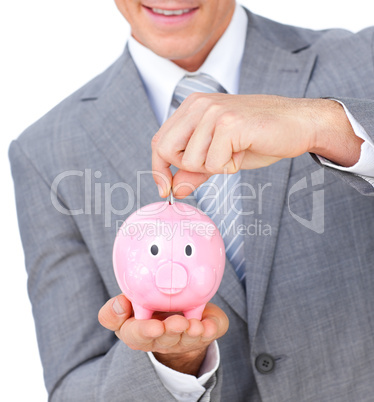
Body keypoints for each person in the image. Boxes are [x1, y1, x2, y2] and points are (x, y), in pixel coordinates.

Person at [9, 0, 374, 400]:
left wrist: (325, 126)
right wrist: (173, 364)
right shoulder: (45, 151)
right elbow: (71, 390)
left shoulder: (362, 59)